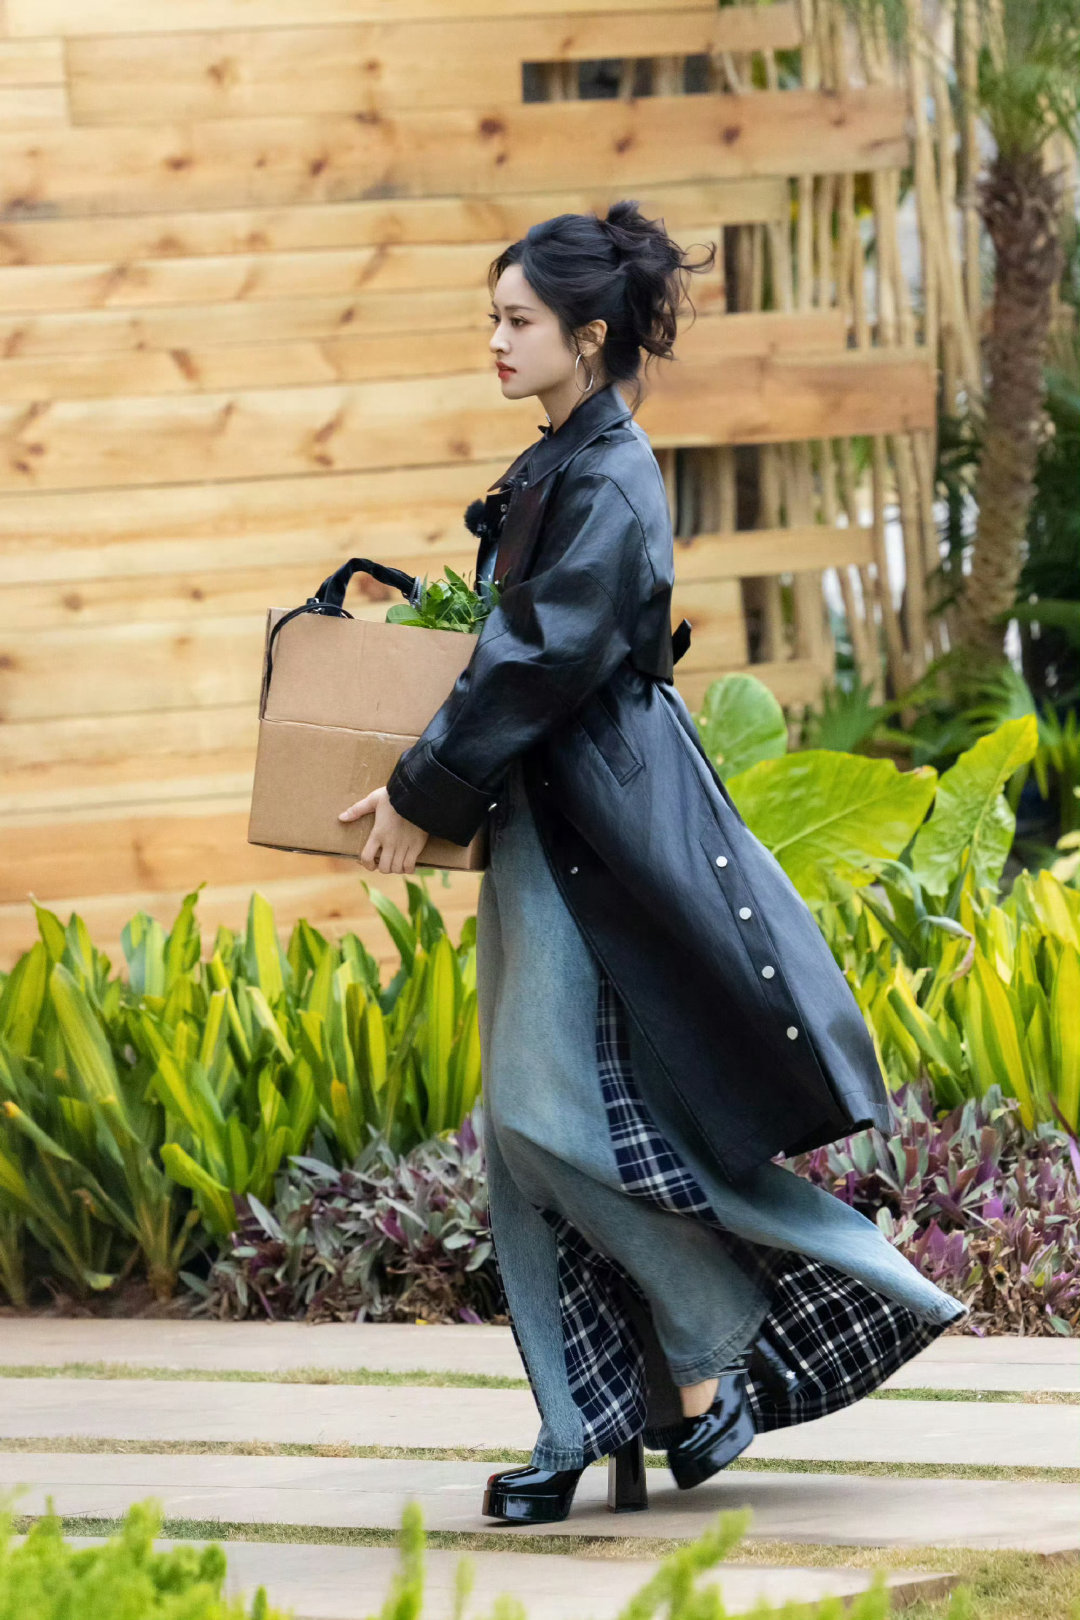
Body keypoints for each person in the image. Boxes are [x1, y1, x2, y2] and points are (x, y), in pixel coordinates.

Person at [338, 201, 968, 1525]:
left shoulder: (612, 472)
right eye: (493, 318)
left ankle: (709, 1327)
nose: (496, 341)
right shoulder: (561, 457)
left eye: (518, 321)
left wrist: (419, 785)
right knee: (535, 1142)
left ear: (588, 333)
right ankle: (592, 1422)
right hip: (551, 820)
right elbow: (514, 641)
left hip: (607, 828)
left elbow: (544, 656)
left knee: (542, 1116)